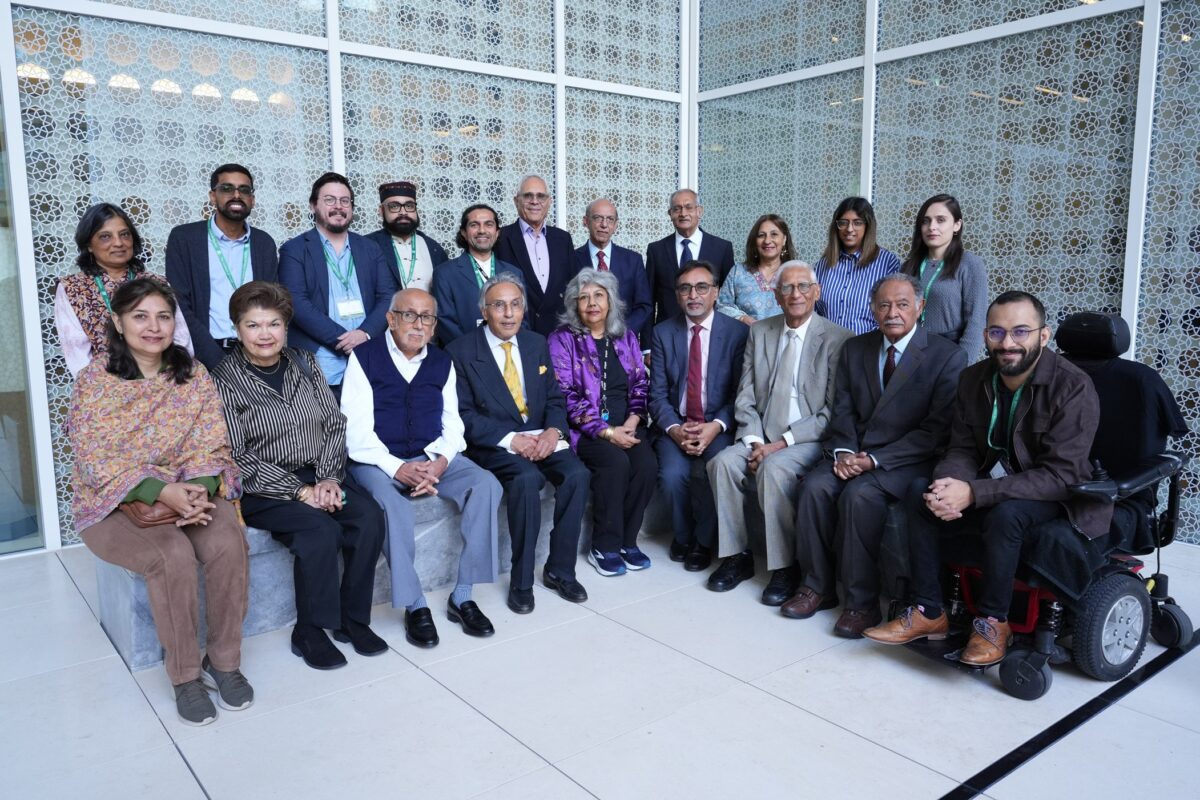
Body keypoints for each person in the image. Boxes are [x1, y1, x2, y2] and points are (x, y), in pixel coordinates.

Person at [865, 291, 1110, 666]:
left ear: (1043, 337)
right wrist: (949, 486)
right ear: (984, 336)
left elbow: (1060, 475)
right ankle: (929, 610)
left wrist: (974, 493)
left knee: (1007, 515)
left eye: (1020, 332)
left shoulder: (1073, 387)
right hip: (995, 484)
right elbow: (962, 449)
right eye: (996, 332)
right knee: (919, 491)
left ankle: (994, 622)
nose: (1007, 343)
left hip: (1058, 497)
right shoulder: (973, 379)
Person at [68, 278, 250, 727]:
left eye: (163, 316)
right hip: (112, 500)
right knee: (170, 555)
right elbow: (93, 456)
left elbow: (212, 440)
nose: (154, 327)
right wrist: (157, 490)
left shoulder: (193, 375)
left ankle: (224, 662)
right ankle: (185, 676)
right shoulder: (96, 381)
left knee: (228, 542)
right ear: (117, 321)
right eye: (140, 316)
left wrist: (200, 487)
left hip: (190, 489)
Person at [211, 281, 387, 671]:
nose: (264, 334)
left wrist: (326, 480)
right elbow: (236, 455)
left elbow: (334, 424)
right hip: (263, 487)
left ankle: (352, 620)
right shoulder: (222, 379)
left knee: (368, 517)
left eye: (273, 324)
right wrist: (300, 491)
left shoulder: (306, 362)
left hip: (319, 472)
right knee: (318, 531)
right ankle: (308, 631)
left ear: (286, 328)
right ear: (237, 329)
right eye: (253, 325)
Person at [785, 273, 966, 637]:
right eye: (884, 305)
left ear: (920, 307)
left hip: (907, 459)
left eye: (902, 304)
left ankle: (861, 604)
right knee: (814, 487)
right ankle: (817, 587)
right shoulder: (856, 348)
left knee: (860, 495)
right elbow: (844, 411)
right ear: (873, 309)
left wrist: (873, 461)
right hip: (855, 451)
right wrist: (845, 452)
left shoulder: (947, 356)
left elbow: (935, 430)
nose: (892, 313)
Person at [342, 288, 502, 648]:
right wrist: (398, 468)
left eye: (427, 317)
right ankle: (415, 604)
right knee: (390, 505)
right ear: (390, 318)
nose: (418, 324)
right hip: (377, 461)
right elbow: (356, 432)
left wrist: (441, 462)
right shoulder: (364, 358)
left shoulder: (442, 361)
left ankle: (462, 596)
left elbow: (453, 424)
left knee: (486, 485)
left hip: (432, 457)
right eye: (409, 315)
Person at [707, 262, 852, 600]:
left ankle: (786, 567)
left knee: (773, 469)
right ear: (776, 295)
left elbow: (831, 412)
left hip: (806, 439)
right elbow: (744, 394)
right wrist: (757, 440)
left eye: (803, 287)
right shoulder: (760, 332)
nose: (796, 294)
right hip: (761, 433)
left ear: (816, 293)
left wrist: (779, 446)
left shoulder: (838, 339)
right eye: (787, 288)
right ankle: (737, 556)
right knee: (723, 463)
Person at [448, 273, 591, 613]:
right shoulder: (461, 350)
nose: (509, 313)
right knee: (527, 480)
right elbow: (463, 415)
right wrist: (512, 440)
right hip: (496, 443)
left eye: (515, 305)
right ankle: (522, 579)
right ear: (484, 310)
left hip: (542, 436)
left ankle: (559, 570)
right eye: (499, 306)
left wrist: (554, 432)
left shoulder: (534, 342)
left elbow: (555, 398)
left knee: (577, 475)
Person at [548, 269, 657, 576]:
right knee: (615, 463)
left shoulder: (625, 336)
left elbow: (639, 383)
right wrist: (607, 432)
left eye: (598, 295)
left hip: (628, 423)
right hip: (585, 430)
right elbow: (564, 394)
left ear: (610, 301)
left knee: (646, 465)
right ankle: (604, 546)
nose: (592, 303)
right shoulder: (562, 340)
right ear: (574, 304)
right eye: (584, 297)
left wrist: (634, 420)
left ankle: (627, 541)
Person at [649, 259, 749, 571]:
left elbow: (740, 392)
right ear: (677, 295)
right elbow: (657, 393)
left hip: (717, 423)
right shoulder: (663, 332)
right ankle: (682, 535)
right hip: (675, 423)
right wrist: (674, 428)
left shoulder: (736, 333)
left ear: (716, 292)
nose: (694, 295)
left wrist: (716, 425)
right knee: (672, 475)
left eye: (702, 287)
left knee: (713, 470)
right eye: (685, 289)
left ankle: (703, 543)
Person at [278, 172, 397, 397]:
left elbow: (388, 297)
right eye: (329, 200)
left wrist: (364, 334)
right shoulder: (294, 250)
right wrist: (345, 340)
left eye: (345, 201)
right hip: (318, 366)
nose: (338, 207)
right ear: (313, 205)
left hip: (369, 360)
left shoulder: (370, 249)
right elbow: (296, 303)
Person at [165, 163, 279, 370]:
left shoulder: (264, 243)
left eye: (244, 190)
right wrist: (214, 358)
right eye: (227, 188)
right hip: (204, 356)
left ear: (252, 199)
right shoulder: (185, 238)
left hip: (257, 353)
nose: (236, 195)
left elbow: (272, 303)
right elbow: (179, 302)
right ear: (212, 196)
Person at [56, 203, 192, 376]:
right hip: (104, 388)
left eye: (124, 235)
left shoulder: (157, 282)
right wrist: (109, 388)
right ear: (89, 244)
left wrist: (159, 381)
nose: (118, 243)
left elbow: (181, 339)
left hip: (161, 382)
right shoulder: (73, 288)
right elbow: (76, 353)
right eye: (105, 237)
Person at [900, 194, 988, 360]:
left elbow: (976, 323)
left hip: (950, 353)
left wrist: (962, 364)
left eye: (940, 220)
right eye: (926, 221)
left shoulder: (970, 264)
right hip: (911, 353)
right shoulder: (908, 266)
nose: (932, 227)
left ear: (957, 225)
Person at [644, 189, 736, 343]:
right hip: (667, 336)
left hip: (711, 335)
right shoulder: (656, 250)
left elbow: (728, 298)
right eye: (677, 208)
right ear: (670, 214)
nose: (683, 213)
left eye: (689, 207)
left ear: (699, 211)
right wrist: (647, 346)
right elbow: (648, 300)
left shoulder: (722, 248)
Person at [492, 175, 577, 336]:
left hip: (559, 337)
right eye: (528, 196)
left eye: (541, 196)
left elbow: (572, 289)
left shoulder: (563, 239)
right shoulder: (501, 238)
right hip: (517, 335)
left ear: (549, 201)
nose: (534, 201)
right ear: (516, 200)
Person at [431, 204, 521, 344]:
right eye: (474, 225)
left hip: (506, 352)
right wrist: (472, 351)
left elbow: (523, 318)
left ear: (497, 232)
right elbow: (445, 322)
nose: (482, 230)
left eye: (489, 224)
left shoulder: (514, 273)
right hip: (464, 355)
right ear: (464, 233)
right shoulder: (444, 273)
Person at [813, 197, 901, 335]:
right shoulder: (822, 266)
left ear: (868, 226)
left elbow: (892, 312)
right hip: (828, 349)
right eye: (843, 223)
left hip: (868, 348)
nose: (849, 229)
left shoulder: (887, 263)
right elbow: (813, 312)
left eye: (857, 223)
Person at [572, 198, 652, 341]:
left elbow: (643, 306)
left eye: (610, 219)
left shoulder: (633, 260)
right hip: (582, 342)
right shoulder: (571, 259)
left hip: (623, 342)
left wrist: (621, 333)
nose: (604, 224)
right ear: (585, 221)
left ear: (615, 225)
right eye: (597, 218)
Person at [364, 181, 449, 292]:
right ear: (381, 211)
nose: (403, 212)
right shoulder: (368, 245)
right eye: (394, 206)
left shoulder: (434, 248)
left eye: (409, 206)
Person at [716, 214, 796, 324]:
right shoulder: (738, 272)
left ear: (784, 239)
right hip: (744, 338)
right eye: (761, 235)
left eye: (774, 234)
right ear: (755, 241)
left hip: (785, 339)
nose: (767, 240)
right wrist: (744, 319)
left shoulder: (795, 273)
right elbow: (721, 306)